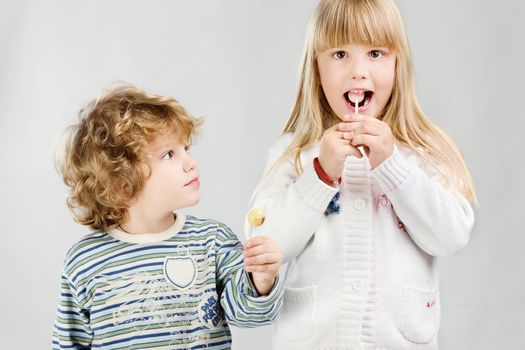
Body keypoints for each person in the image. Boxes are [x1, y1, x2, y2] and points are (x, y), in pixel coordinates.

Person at [245, 0, 475, 349]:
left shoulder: (422, 151)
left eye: (376, 53)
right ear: (317, 69)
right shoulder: (294, 152)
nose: (358, 71)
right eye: (339, 54)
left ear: (399, 64)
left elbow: (452, 235)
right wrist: (319, 175)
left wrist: (391, 165)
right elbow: (264, 243)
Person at [52, 85, 283, 349]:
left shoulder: (212, 242)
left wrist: (261, 279)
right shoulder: (85, 262)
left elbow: (250, 314)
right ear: (120, 184)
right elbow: (69, 343)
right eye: (169, 154)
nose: (191, 162)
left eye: (186, 148)